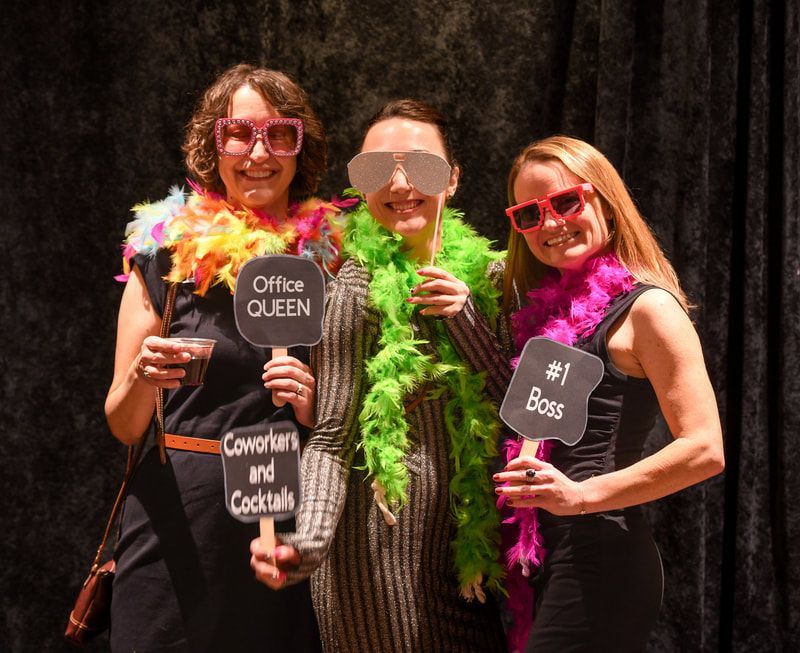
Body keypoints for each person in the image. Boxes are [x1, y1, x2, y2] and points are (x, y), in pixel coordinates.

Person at [448, 134, 724, 652]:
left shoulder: (648, 309)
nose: (550, 223)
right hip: (543, 557)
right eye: (529, 214)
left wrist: (578, 497)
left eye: (566, 201)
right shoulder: (542, 319)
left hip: (600, 556)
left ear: (605, 199)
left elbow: (704, 450)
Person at [104, 63, 347, 651]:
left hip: (283, 521)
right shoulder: (166, 258)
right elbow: (123, 423)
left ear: (300, 146)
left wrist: (318, 406)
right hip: (174, 523)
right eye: (238, 133)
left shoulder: (336, 263)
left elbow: (365, 418)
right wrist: (141, 377)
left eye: (278, 134)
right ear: (213, 146)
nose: (257, 152)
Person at [250, 99, 508, 652]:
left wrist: (466, 321)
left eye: (420, 165)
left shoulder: (497, 280)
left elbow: (522, 415)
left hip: (472, 553)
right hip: (372, 568)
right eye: (376, 168)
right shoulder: (356, 288)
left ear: (454, 179)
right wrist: (305, 546)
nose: (399, 183)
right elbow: (331, 438)